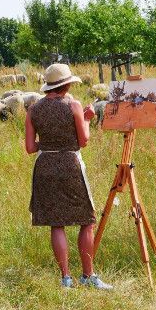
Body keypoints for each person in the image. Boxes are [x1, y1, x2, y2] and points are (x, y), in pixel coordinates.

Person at [25, 63, 113, 290]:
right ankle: (88, 275)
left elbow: (30, 148)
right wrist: (87, 118)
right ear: (66, 85)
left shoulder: (33, 109)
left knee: (57, 223)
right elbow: (83, 140)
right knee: (87, 220)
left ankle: (66, 278)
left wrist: (48, 143)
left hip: (45, 166)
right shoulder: (73, 105)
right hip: (70, 166)